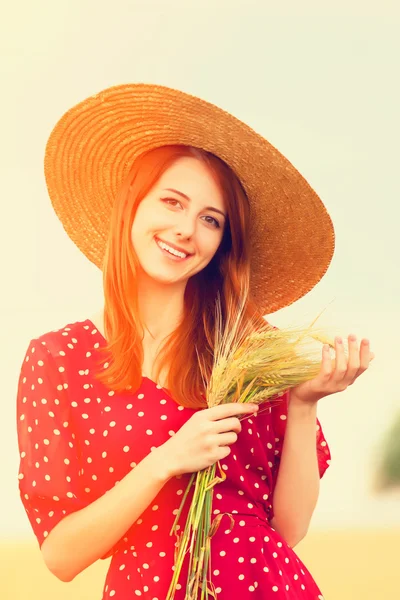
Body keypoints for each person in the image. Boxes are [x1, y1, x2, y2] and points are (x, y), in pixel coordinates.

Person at [16, 83, 373, 599]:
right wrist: (165, 459)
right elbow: (61, 556)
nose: (186, 229)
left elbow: (289, 529)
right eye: (172, 202)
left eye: (210, 220)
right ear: (131, 207)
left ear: (222, 245)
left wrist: (303, 403)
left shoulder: (250, 348)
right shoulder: (58, 359)